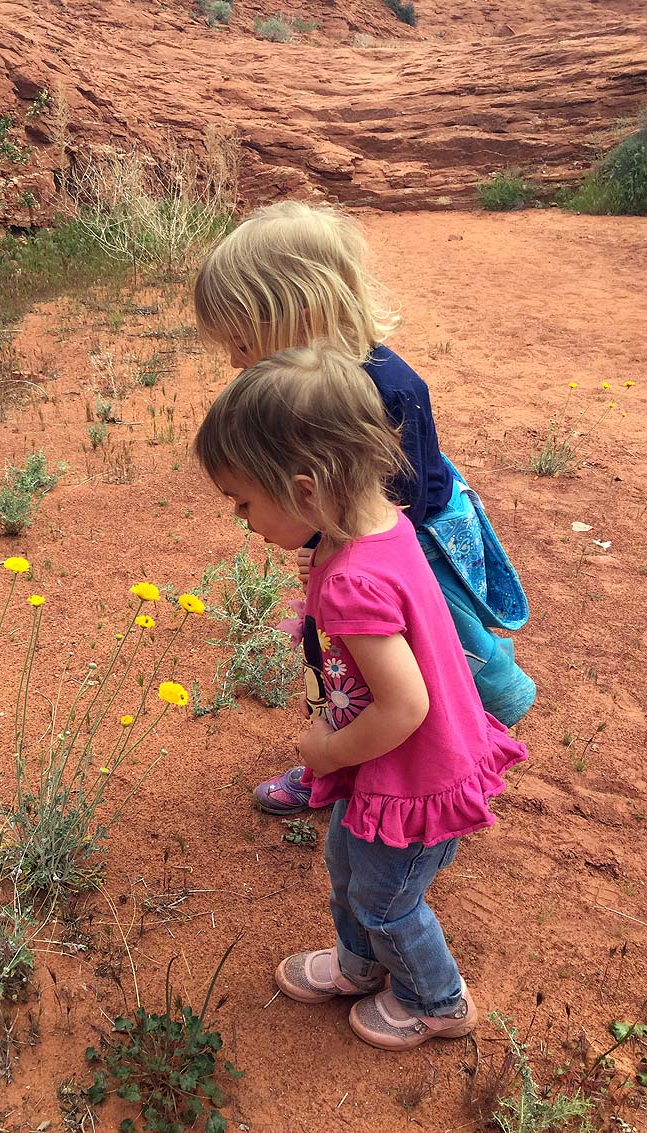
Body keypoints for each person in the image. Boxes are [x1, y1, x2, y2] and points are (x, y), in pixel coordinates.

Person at [193, 343, 528, 1049]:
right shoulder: (381, 528)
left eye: (244, 500)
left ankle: (436, 999)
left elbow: (406, 706)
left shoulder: (353, 580)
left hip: (417, 772)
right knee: (345, 862)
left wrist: (325, 748)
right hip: (392, 766)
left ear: (306, 489)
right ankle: (359, 965)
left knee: (385, 895)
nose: (242, 519)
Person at [194, 199, 535, 815]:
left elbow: (394, 499)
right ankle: (342, 764)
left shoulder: (385, 389)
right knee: (342, 662)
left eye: (243, 338)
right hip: (356, 543)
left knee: (443, 655)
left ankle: (466, 749)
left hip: (409, 547)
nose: (236, 359)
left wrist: (341, 556)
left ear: (299, 312)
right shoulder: (309, 388)